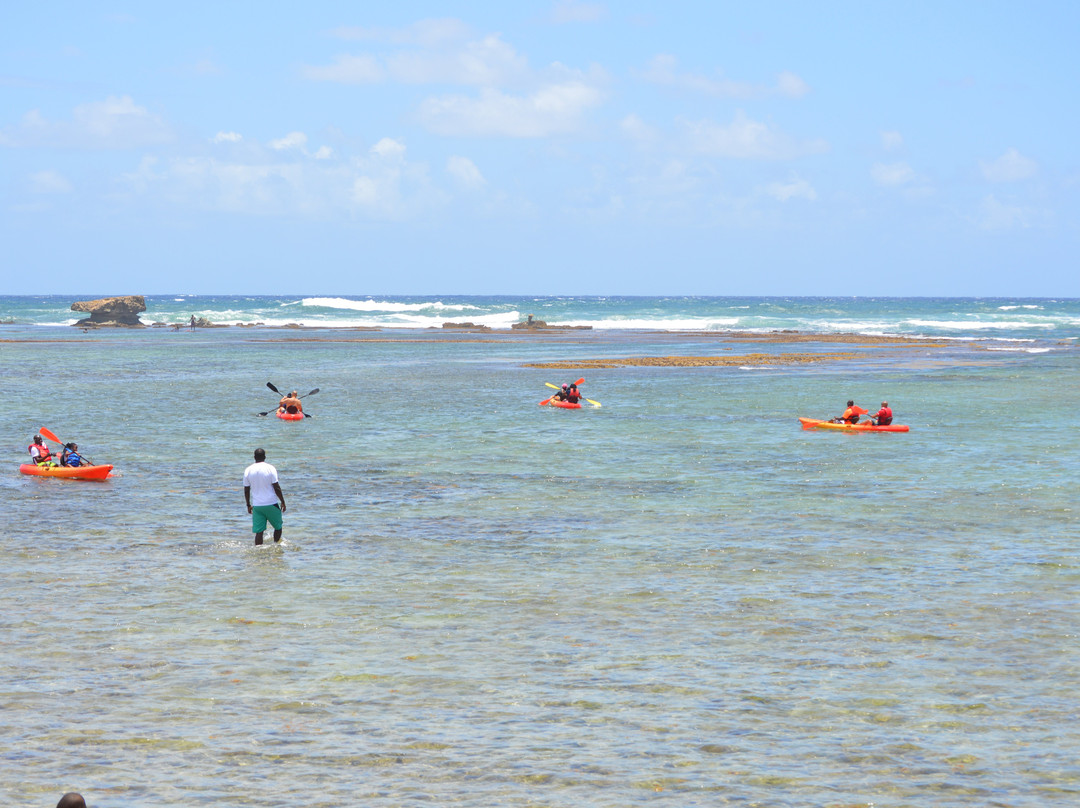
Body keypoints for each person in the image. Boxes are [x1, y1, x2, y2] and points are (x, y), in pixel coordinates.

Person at [244, 448, 286, 545]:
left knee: (259, 532)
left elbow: (246, 489)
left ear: (254, 457)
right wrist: (283, 501)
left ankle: (259, 552)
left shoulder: (248, 470)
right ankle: (276, 545)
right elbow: (276, 487)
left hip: (257, 506)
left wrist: (248, 505)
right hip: (271, 504)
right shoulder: (270, 468)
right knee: (278, 527)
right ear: (265, 457)